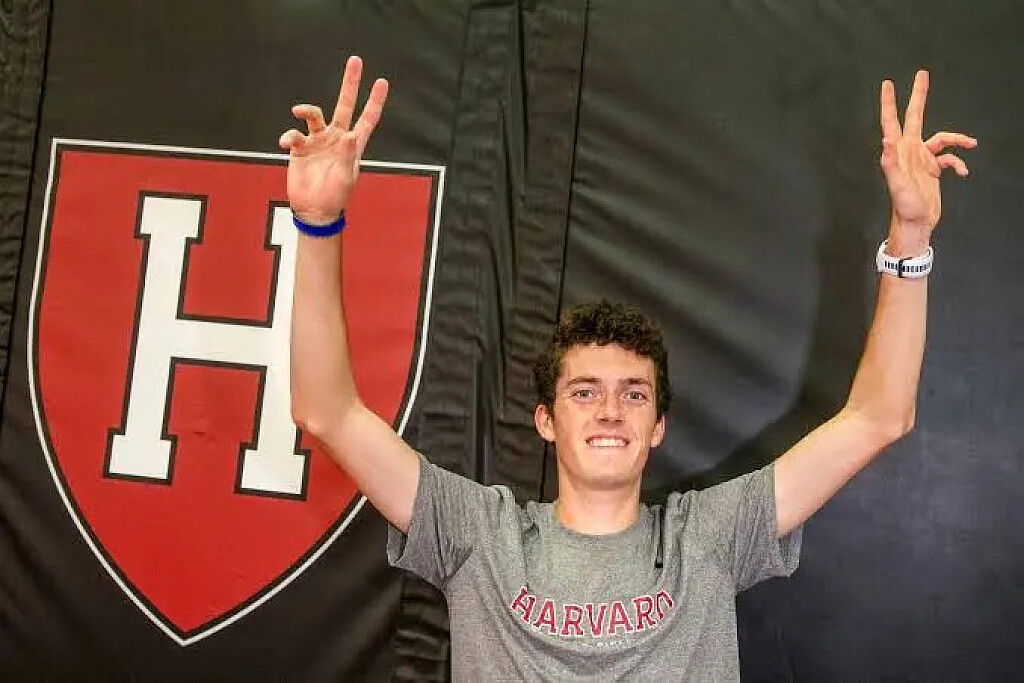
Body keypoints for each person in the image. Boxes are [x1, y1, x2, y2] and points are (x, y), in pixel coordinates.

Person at [281, 56, 975, 681]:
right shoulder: (476, 535)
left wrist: (910, 236)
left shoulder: (709, 537)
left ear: (658, 426)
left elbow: (879, 417)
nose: (611, 409)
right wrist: (316, 223)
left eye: (634, 394)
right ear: (546, 420)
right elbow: (327, 412)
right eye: (585, 392)